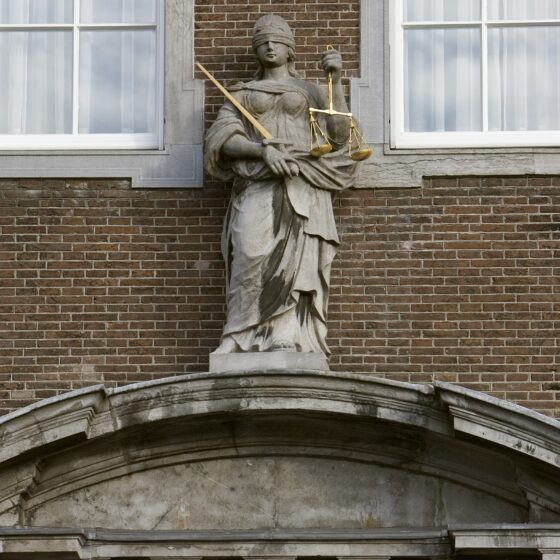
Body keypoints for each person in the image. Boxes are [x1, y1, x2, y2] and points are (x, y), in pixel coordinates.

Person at [204, 14, 360, 356]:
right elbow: (221, 138)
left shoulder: (312, 91)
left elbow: (339, 137)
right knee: (248, 250)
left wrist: (334, 81)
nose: (269, 46)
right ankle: (238, 333)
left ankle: (286, 334)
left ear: (290, 48)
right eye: (262, 42)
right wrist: (261, 151)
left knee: (298, 261)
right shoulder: (241, 93)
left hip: (303, 180)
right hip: (257, 183)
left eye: (276, 40)